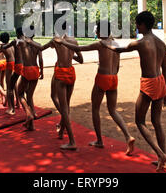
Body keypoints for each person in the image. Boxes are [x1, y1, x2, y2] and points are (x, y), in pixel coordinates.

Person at [100, 11, 166, 171]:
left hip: (149, 83)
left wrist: (104, 43)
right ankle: (163, 157)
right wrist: (165, 91)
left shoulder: (140, 42)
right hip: (160, 82)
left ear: (143, 25)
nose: (136, 27)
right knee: (157, 122)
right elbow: (165, 70)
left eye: (137, 24)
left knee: (139, 121)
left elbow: (118, 49)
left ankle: (161, 154)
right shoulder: (161, 43)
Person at [54, 21, 135, 155]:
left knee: (95, 109)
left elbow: (79, 49)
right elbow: (117, 65)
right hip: (114, 78)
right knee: (113, 110)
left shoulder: (100, 44)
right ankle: (128, 136)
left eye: (97, 30)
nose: (96, 33)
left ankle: (99, 140)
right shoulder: (115, 44)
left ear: (101, 32)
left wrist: (62, 42)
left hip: (102, 77)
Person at [27, 22, 83, 150]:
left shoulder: (55, 40)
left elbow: (40, 48)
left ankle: (72, 141)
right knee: (65, 104)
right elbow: (81, 60)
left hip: (61, 73)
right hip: (71, 72)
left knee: (63, 108)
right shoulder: (73, 41)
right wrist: (70, 54)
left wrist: (30, 41)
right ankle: (62, 127)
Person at [15, 25, 44, 130]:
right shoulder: (38, 45)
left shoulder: (22, 43)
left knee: (20, 93)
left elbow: (18, 43)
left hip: (26, 69)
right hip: (35, 69)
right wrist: (42, 71)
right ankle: (31, 125)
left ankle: (28, 113)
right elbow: (40, 59)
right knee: (30, 96)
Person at [1, 27, 24, 115]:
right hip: (25, 65)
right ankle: (18, 103)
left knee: (9, 86)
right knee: (16, 85)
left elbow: (3, 48)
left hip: (14, 64)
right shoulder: (27, 41)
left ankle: (11, 108)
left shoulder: (15, 41)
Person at [0, 32, 17, 111]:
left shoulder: (3, 46)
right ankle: (18, 103)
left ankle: (9, 104)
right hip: (14, 63)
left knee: (2, 83)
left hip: (7, 64)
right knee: (14, 83)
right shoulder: (12, 45)